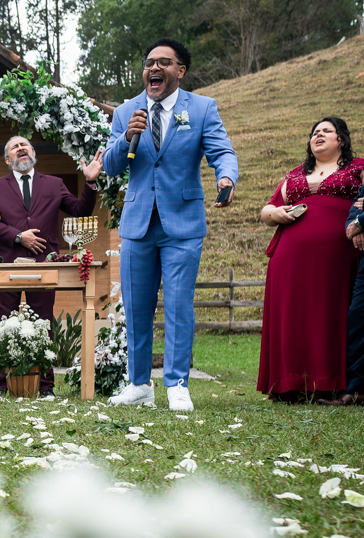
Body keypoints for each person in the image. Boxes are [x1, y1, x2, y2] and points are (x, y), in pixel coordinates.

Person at [102, 37, 238, 412]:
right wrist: (128, 135)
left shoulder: (203, 108)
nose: (154, 68)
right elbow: (112, 167)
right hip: (137, 224)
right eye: (149, 62)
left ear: (180, 70)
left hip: (183, 224)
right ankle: (139, 384)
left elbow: (222, 151)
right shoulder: (126, 111)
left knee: (179, 304)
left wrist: (225, 178)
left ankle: (177, 383)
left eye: (164, 62)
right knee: (137, 307)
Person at [256, 118, 364, 403]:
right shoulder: (294, 175)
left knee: (333, 314)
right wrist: (276, 214)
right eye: (314, 133)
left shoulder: (360, 168)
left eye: (326, 131)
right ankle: (290, 385)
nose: (318, 135)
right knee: (294, 317)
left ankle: (334, 382)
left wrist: (362, 223)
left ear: (340, 139)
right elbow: (267, 209)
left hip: (339, 259)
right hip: (290, 261)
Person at [0, 136, 103, 395]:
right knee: (2, 323)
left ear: (34, 152)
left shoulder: (54, 184)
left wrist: (90, 182)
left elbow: (80, 210)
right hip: (7, 261)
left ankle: (46, 387)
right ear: (7, 159)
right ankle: (0, 386)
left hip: (44, 262)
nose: (21, 148)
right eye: (14, 146)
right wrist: (18, 236)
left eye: (25, 145)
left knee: (44, 323)